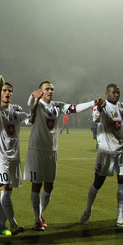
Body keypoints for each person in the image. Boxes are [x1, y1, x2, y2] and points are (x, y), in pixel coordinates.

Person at [26, 80, 97, 231]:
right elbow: (30, 103)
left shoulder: (57, 106)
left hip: (52, 151)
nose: (50, 91)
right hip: (37, 150)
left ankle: (41, 214)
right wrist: (33, 96)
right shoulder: (37, 104)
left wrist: (93, 103)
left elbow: (75, 108)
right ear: (41, 91)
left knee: (49, 186)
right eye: (47, 89)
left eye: (52, 89)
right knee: (36, 185)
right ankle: (37, 219)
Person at [79, 84, 123, 229]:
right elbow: (96, 119)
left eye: (118, 92)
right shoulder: (102, 106)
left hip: (122, 151)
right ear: (107, 93)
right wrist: (99, 108)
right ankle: (87, 211)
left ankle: (120, 218)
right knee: (98, 183)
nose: (117, 94)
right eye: (114, 92)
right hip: (106, 152)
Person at [0, 79, 28, 236]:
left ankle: (1, 225)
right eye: (4, 90)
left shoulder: (16, 109)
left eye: (10, 91)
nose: (7, 93)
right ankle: (13, 224)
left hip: (13, 156)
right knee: (4, 187)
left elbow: (29, 119)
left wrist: (35, 102)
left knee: (7, 191)